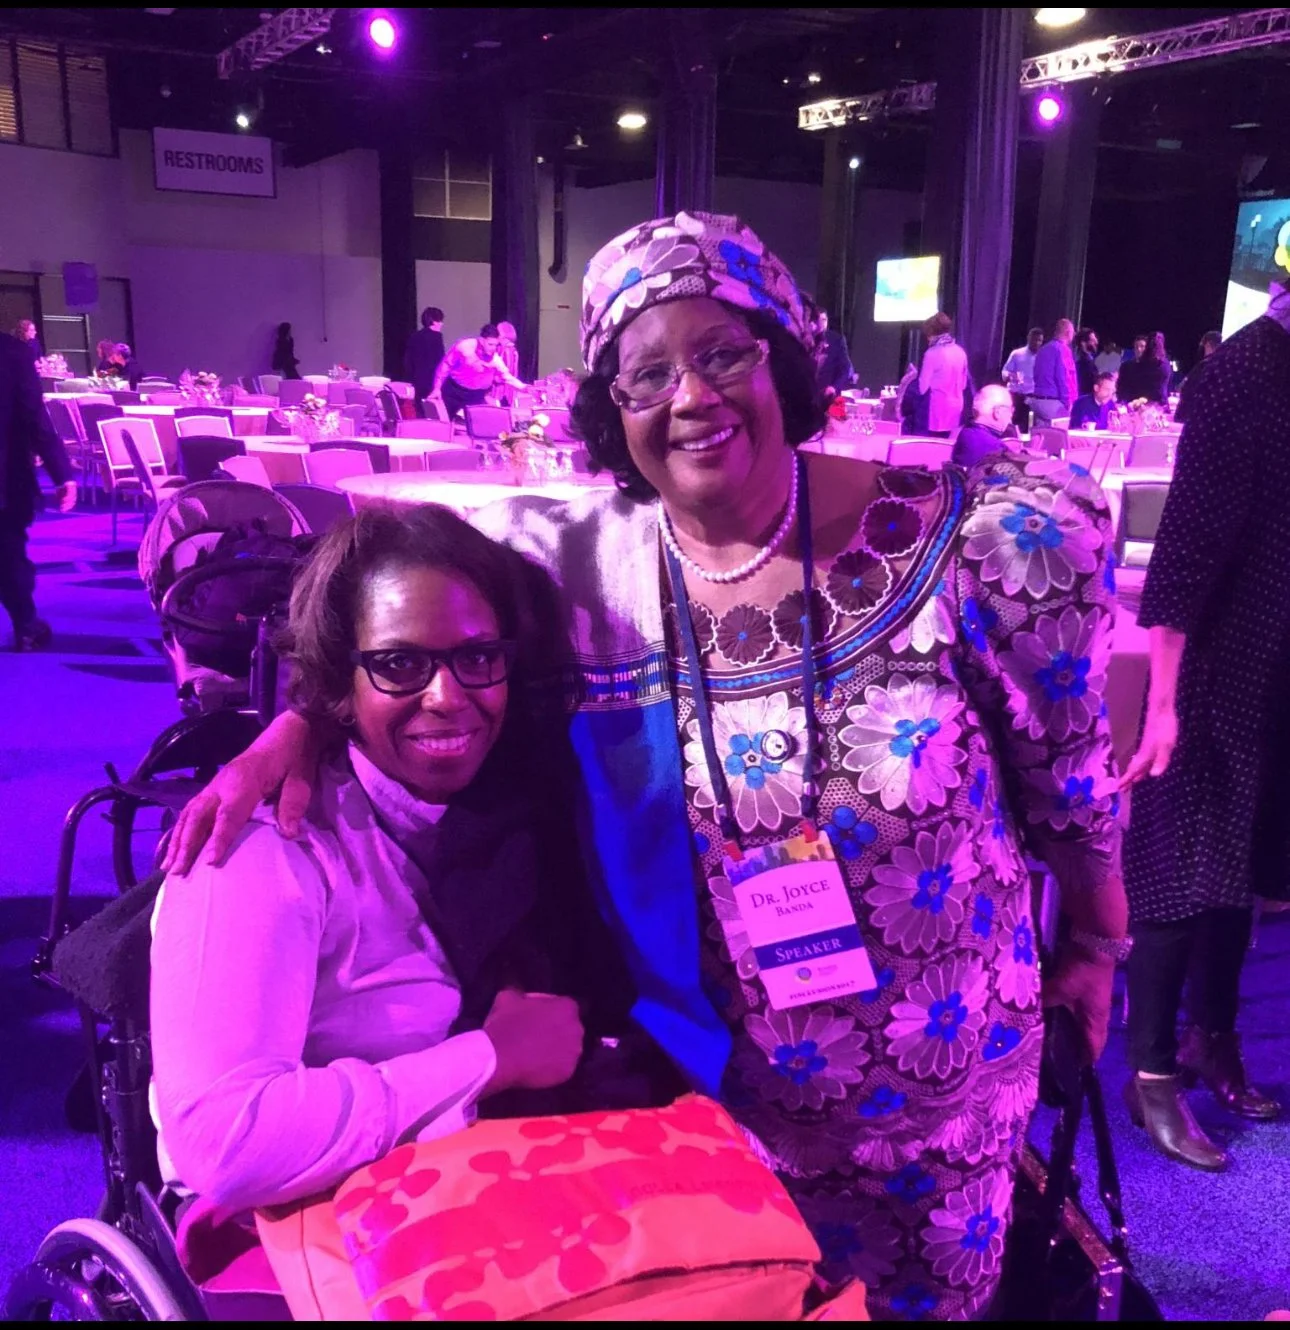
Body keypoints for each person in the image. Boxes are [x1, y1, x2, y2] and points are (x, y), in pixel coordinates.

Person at [163, 210, 1126, 1320]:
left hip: (942, 1109)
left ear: (787, 355)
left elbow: (1076, 788)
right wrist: (296, 722)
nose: (690, 397)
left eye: (724, 351)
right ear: (610, 411)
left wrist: (1099, 941)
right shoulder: (577, 567)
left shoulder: (983, 546)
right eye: (644, 374)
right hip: (704, 1111)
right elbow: (384, 601)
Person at [151, 503, 675, 1212]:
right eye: (400, 664)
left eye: (477, 658)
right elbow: (224, 1143)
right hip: (319, 1224)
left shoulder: (516, 800)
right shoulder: (262, 845)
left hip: (485, 1188)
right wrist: (490, 1060)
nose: (447, 697)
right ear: (339, 681)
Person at [1119, 274, 1290, 1173]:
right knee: (1180, 875)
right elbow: (1183, 553)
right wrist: (1163, 704)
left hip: (1278, 671)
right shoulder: (1247, 375)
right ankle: (1150, 1073)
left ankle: (1210, 1038)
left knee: (1246, 876)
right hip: (1213, 667)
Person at [0, 332, 76, 650]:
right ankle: (26, 626)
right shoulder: (11, 353)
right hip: (6, 475)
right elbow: (35, 418)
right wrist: (61, 474)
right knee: (8, 553)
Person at [431, 323, 527, 422]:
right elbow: (445, 366)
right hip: (454, 390)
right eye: (490, 344)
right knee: (444, 424)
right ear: (482, 340)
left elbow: (507, 377)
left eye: (496, 345)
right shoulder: (465, 347)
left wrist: (525, 388)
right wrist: (437, 388)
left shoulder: (495, 359)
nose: (494, 348)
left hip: (476, 395)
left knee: (474, 427)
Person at [917, 311, 970, 437]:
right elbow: (963, 385)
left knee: (934, 446)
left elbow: (922, 388)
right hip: (957, 407)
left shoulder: (931, 354)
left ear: (931, 333)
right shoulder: (960, 351)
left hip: (937, 409)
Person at [951, 383, 1019, 469]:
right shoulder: (993, 447)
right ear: (997, 412)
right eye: (1010, 410)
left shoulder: (965, 433)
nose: (1011, 416)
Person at [1028, 317, 1076, 428]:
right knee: (1058, 439)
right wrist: (1067, 401)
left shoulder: (1043, 349)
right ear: (1068, 333)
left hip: (1037, 401)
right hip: (1054, 403)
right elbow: (1064, 378)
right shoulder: (1063, 350)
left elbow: (1036, 374)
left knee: (1040, 439)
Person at [404, 306, 446, 413]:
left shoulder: (414, 336)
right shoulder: (436, 337)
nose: (442, 324)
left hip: (418, 381)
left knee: (420, 412)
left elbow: (408, 361)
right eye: (440, 321)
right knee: (433, 413)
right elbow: (440, 361)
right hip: (432, 381)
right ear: (434, 321)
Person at [1002, 327, 1044, 430]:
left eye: (1040, 341)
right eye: (1035, 340)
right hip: (1016, 396)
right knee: (1013, 426)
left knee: (1029, 428)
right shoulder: (1017, 354)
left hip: (1033, 398)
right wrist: (1012, 376)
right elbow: (1004, 373)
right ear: (1028, 338)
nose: (1037, 343)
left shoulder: (1043, 356)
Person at [814, 308, 857, 400]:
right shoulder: (806, 339)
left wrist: (834, 387)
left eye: (824, 320)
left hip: (828, 396)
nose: (821, 323)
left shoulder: (836, 340)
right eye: (818, 319)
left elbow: (845, 368)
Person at [1117, 332, 1170, 406]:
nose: (1139, 349)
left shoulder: (1159, 365)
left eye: (1142, 346)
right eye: (1136, 347)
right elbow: (1122, 389)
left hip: (1153, 407)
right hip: (1132, 406)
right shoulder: (1126, 366)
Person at [1074, 327, 1099, 397]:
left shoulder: (1089, 360)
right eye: (1092, 340)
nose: (1096, 342)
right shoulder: (1082, 362)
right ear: (1083, 343)